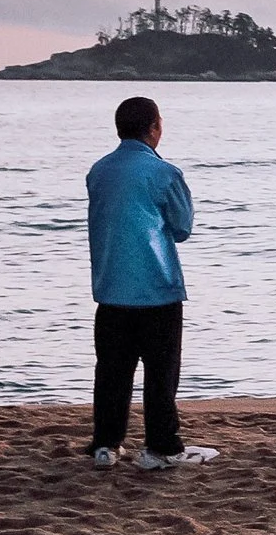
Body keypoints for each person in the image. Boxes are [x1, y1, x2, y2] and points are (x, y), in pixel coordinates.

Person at [85, 96, 219, 470]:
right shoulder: (165, 173)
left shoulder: (98, 171)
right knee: (161, 374)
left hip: (110, 287)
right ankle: (161, 447)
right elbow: (182, 227)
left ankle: (106, 444)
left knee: (111, 372)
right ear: (154, 128)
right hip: (157, 288)